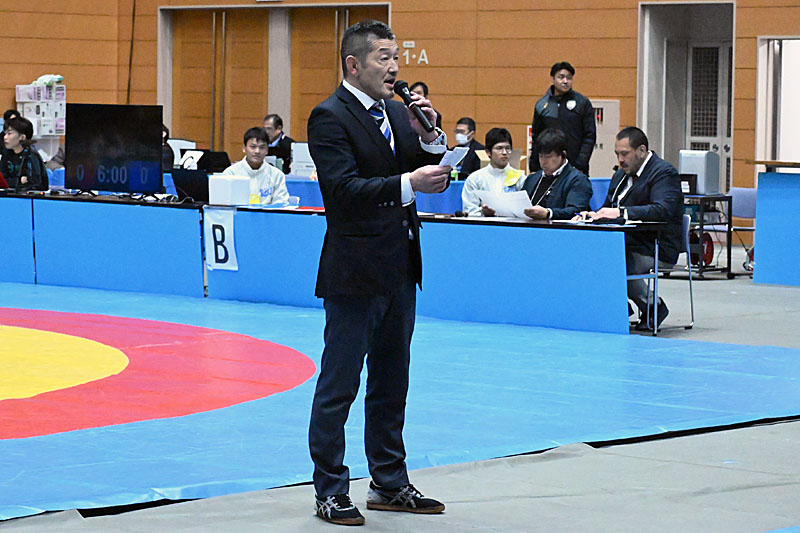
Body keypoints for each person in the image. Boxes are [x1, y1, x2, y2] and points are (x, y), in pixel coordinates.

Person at [306, 19, 450, 527]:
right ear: (354, 64)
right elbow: (343, 192)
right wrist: (410, 182)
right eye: (383, 58)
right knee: (340, 385)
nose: (393, 68)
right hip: (355, 272)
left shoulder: (394, 112)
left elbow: (423, 164)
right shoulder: (329, 117)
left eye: (396, 58)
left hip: (400, 268)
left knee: (392, 383)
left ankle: (389, 481)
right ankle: (330, 489)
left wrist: (430, 137)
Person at [575, 127, 683, 331]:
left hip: (656, 245)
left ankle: (653, 306)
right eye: (617, 154)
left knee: (617, 259)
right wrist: (592, 215)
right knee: (587, 252)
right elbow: (607, 208)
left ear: (641, 151)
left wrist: (622, 212)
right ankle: (618, 305)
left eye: (625, 154)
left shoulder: (664, 173)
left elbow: (662, 210)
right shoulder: (620, 176)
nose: (620, 160)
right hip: (626, 242)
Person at [530, 61, 596, 176]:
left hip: (576, 167)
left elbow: (589, 136)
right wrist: (534, 166)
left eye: (569, 78)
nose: (565, 81)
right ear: (553, 79)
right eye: (561, 77)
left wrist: (580, 164)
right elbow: (536, 137)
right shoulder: (542, 105)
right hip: (549, 168)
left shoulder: (582, 103)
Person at [523, 128, 592, 220]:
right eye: (541, 156)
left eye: (548, 157)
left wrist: (549, 213)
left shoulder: (578, 180)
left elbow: (576, 211)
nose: (543, 162)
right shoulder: (532, 178)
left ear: (563, 155)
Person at [461, 127, 526, 217]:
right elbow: (470, 211)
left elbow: (524, 210)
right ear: (488, 152)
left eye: (508, 148)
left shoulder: (520, 177)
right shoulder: (475, 178)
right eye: (499, 148)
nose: (504, 152)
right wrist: (484, 213)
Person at [222, 126, 289, 205]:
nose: (257, 151)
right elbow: (223, 204)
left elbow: (281, 204)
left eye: (262, 147)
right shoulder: (230, 173)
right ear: (244, 148)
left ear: (267, 150)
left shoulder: (276, 175)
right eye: (253, 147)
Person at [1, 116, 48, 192]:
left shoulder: (31, 155)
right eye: (5, 133)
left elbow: (34, 182)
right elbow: (3, 181)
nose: (5, 137)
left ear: (22, 137)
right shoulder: (7, 153)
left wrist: (14, 181)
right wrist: (20, 180)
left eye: (9, 134)